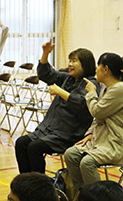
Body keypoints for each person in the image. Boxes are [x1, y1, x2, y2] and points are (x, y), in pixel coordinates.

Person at [15, 41, 100, 174]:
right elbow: (45, 74)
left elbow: (82, 103)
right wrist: (45, 54)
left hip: (68, 134)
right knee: (21, 143)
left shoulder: (91, 84)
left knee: (34, 148)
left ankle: (39, 188)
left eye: (74, 61)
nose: (70, 64)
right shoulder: (68, 78)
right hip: (49, 129)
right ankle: (26, 184)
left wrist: (60, 91)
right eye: (69, 60)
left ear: (85, 64)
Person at [64, 52, 123, 189]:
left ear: (106, 69)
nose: (95, 69)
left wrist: (91, 93)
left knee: (87, 163)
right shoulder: (109, 89)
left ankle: (98, 196)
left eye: (98, 66)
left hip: (118, 142)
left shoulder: (120, 89)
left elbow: (96, 111)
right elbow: (99, 117)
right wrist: (90, 133)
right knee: (70, 154)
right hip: (103, 138)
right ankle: (82, 193)